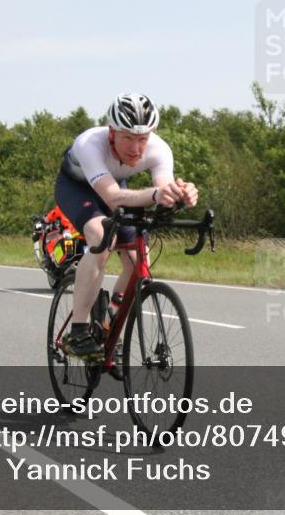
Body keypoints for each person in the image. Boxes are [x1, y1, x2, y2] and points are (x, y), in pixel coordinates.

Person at [54, 93, 198, 358]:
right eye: (128, 138)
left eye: (142, 139)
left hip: (115, 187)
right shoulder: (89, 144)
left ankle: (109, 324)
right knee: (101, 236)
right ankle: (78, 331)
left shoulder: (159, 149)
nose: (136, 148)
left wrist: (181, 195)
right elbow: (113, 198)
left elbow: (163, 188)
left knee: (138, 259)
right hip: (78, 188)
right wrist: (157, 195)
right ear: (112, 132)